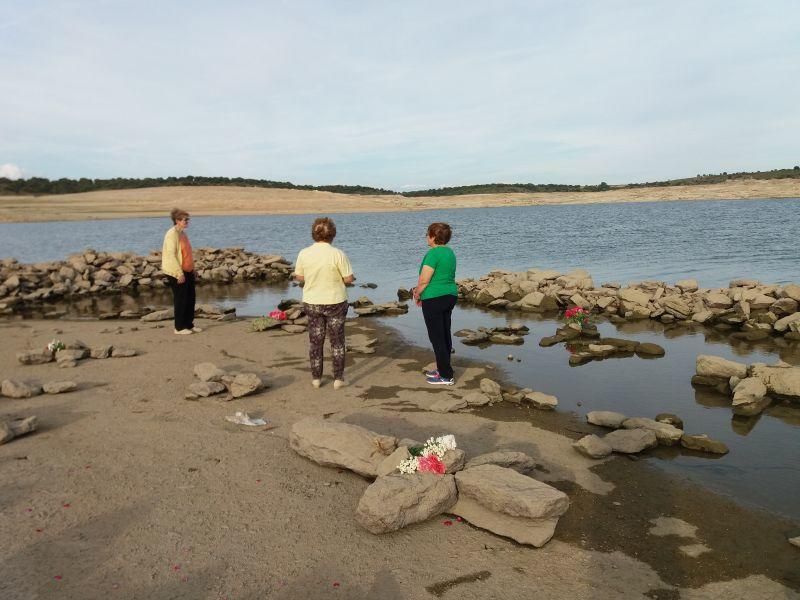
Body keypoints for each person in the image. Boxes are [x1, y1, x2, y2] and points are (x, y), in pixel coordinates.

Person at [294, 217, 355, 389]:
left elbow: (299, 276)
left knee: (316, 340)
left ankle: (316, 378)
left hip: (312, 302)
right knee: (337, 341)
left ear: (313, 234)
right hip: (335, 301)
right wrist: (348, 279)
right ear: (333, 235)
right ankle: (338, 379)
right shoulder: (338, 254)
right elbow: (348, 278)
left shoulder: (304, 253)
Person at [414, 222, 458, 385]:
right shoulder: (450, 252)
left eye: (428, 234)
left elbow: (425, 279)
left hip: (434, 297)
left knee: (437, 337)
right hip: (450, 295)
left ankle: (446, 375)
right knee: (445, 333)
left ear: (433, 237)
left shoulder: (432, 253)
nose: (426, 237)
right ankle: (444, 369)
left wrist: (417, 294)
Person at [161, 208, 201, 335]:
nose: (187, 222)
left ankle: (189, 324)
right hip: (176, 272)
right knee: (181, 299)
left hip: (187, 270)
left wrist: (192, 269)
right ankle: (178, 328)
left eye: (188, 219)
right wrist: (179, 273)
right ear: (177, 221)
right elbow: (171, 255)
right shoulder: (171, 234)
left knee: (190, 299)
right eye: (185, 220)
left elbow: (187, 253)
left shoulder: (182, 233)